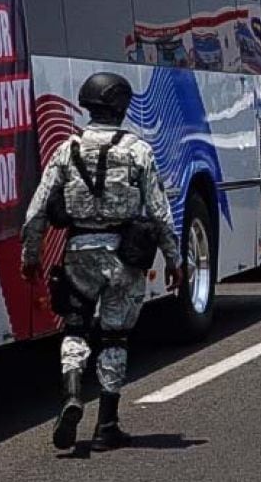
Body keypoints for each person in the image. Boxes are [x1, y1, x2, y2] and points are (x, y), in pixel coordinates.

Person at [20, 71, 181, 451]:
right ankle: (106, 424)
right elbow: (159, 212)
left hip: (78, 254)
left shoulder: (66, 149)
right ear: (122, 105)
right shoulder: (138, 151)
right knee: (114, 336)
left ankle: (72, 394)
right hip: (124, 256)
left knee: (75, 328)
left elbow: (37, 211)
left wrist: (31, 256)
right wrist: (176, 260)